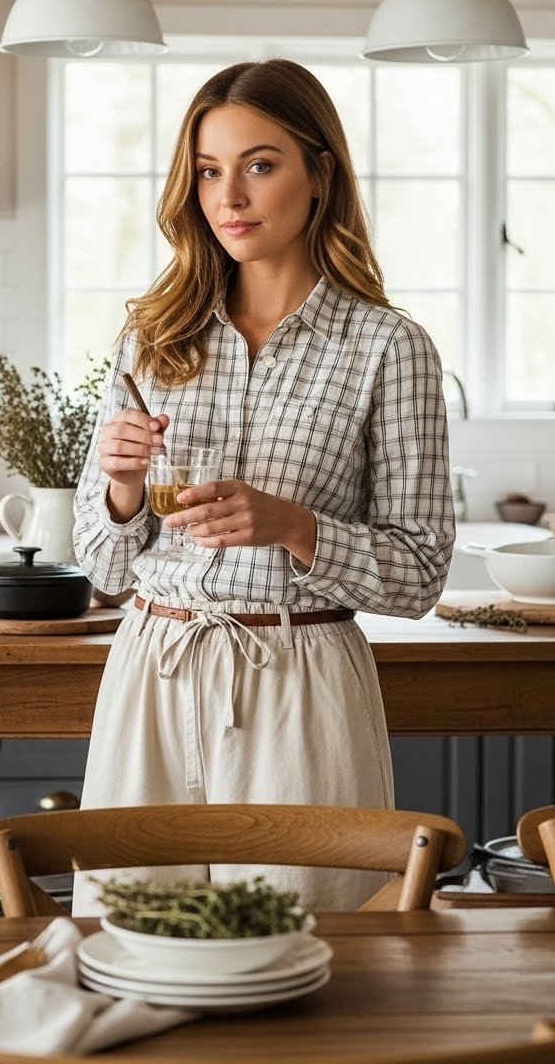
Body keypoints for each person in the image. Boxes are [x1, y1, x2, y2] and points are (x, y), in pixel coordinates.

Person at [72, 58, 454, 913]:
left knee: (312, 952)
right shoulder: (152, 336)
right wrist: (123, 485)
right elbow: (101, 562)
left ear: (320, 173)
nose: (229, 196)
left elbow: (421, 571)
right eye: (209, 170)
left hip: (300, 681)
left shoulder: (388, 347)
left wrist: (293, 526)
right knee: (133, 940)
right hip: (154, 672)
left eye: (260, 164)